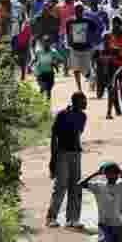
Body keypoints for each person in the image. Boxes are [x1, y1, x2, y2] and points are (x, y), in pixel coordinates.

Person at [46, 92, 89, 229]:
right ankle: (51, 217)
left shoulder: (82, 116)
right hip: (62, 153)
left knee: (76, 186)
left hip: (76, 153)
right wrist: (53, 158)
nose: (85, 103)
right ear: (75, 102)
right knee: (61, 185)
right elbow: (54, 137)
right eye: (83, 101)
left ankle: (73, 219)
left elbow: (78, 133)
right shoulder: (62, 115)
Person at [66, 3, 98, 93]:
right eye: (77, 10)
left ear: (82, 11)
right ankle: (79, 88)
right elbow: (68, 34)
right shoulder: (70, 22)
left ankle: (92, 79)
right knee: (76, 70)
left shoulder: (88, 21)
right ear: (74, 11)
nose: (78, 12)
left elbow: (96, 30)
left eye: (80, 10)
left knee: (86, 69)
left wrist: (92, 41)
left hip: (86, 49)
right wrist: (69, 45)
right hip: (74, 48)